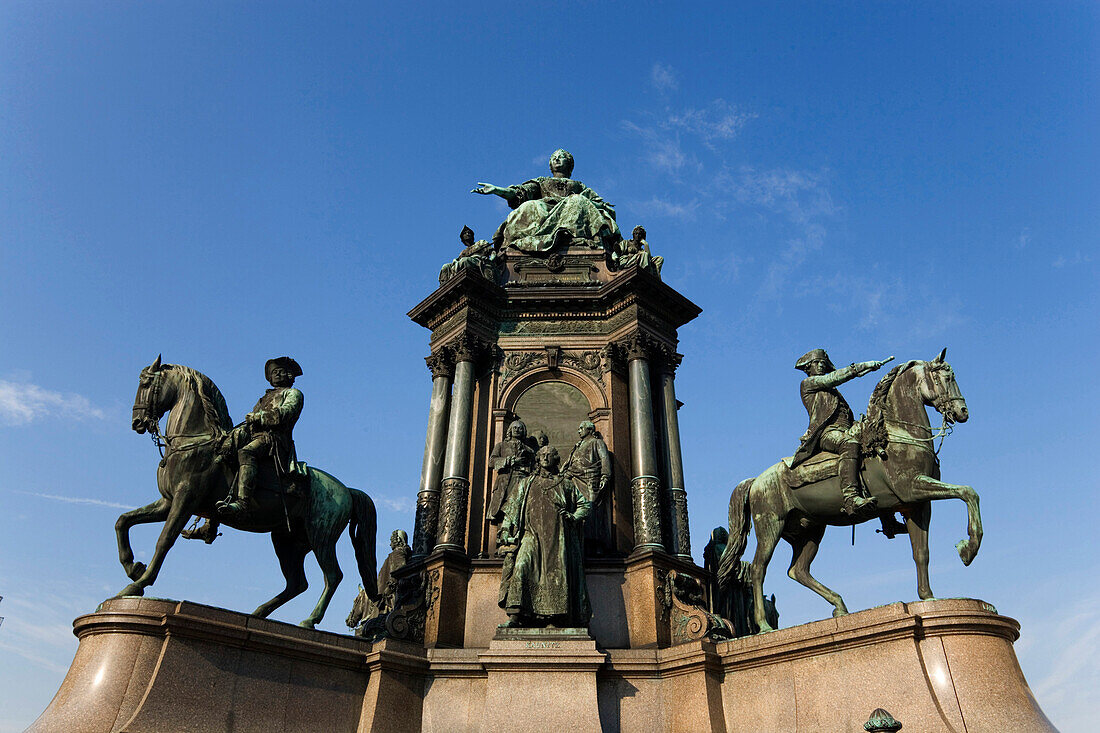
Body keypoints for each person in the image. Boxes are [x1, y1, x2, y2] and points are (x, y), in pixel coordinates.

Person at [497, 445, 592, 628]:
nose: (546, 458)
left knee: (556, 576)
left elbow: (585, 506)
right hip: (530, 536)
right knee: (522, 566)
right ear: (538, 459)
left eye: (550, 455)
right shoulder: (527, 483)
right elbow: (512, 509)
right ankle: (516, 616)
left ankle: (553, 618)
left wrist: (573, 517)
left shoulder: (565, 484)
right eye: (542, 455)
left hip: (557, 539)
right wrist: (506, 529)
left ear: (556, 459)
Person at [791, 349, 891, 517]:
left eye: (824, 363)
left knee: (875, 441)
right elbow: (835, 377)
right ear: (808, 367)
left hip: (846, 429)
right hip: (826, 433)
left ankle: (888, 516)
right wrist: (863, 366)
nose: (821, 365)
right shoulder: (809, 383)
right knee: (849, 443)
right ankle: (850, 497)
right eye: (817, 363)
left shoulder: (833, 392)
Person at [472, 149, 621, 253]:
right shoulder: (541, 182)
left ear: (569, 164)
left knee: (576, 200)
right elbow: (519, 193)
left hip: (571, 209)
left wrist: (582, 201)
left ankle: (570, 237)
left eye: (560, 157)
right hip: (544, 209)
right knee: (529, 205)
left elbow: (599, 204)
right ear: (550, 164)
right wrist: (497, 190)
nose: (556, 159)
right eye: (553, 157)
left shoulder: (579, 186)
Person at [216, 357, 304, 517]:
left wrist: (260, 417)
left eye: (280, 372)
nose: (276, 375)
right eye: (273, 373)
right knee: (223, 454)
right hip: (255, 436)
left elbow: (287, 413)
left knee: (246, 453)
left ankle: (243, 503)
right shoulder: (263, 398)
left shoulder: (293, 394)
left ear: (289, 375)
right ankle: (210, 523)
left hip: (274, 440)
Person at [563, 420, 612, 554]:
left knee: (592, 512)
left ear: (589, 430)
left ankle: (596, 545)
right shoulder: (578, 445)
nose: (579, 431)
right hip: (575, 480)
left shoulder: (597, 443)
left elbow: (604, 459)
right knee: (577, 510)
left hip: (590, 480)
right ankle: (579, 542)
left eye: (581, 428)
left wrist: (605, 476)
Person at [486, 419, 536, 525]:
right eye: (515, 427)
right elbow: (491, 462)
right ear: (510, 430)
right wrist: (510, 460)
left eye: (520, 428)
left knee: (519, 508)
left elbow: (534, 468)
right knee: (504, 507)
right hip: (505, 481)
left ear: (524, 431)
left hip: (521, 480)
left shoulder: (530, 450)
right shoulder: (501, 445)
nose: (517, 430)